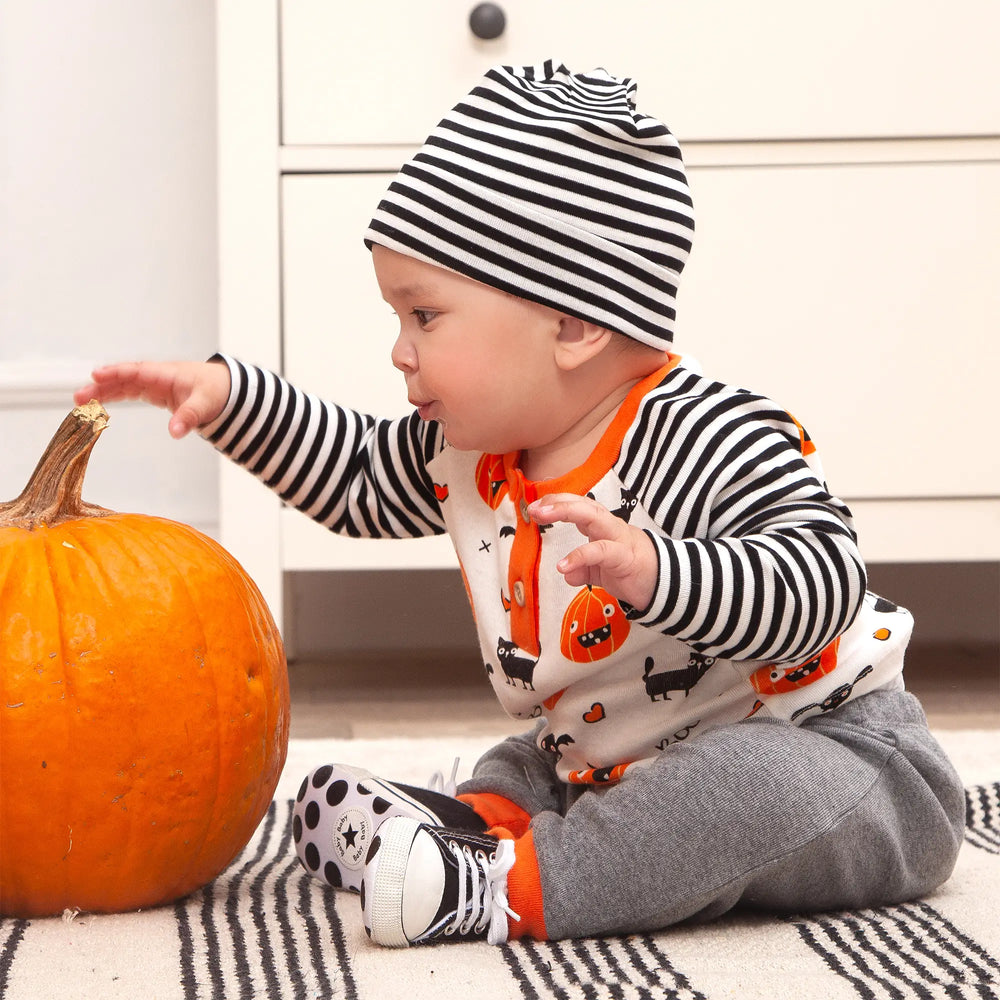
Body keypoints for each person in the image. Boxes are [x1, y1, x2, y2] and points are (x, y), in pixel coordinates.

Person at [75, 61, 965, 948]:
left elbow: (821, 583)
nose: (399, 351)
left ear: (574, 322)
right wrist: (234, 401)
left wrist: (663, 572)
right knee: (534, 761)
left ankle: (503, 889)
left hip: (838, 758)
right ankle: (471, 827)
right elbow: (351, 475)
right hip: (619, 764)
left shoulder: (703, 433)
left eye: (425, 315)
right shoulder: (474, 452)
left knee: (724, 790)